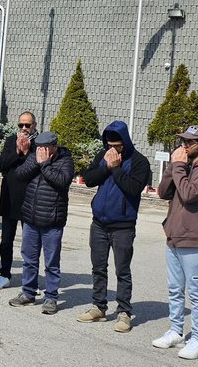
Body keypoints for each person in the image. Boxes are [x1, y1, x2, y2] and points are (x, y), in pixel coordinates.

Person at [151, 125, 198, 361]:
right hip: (174, 233)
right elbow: (163, 192)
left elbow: (190, 193)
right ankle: (175, 331)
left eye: (189, 143)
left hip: (194, 236)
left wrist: (179, 167)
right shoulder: (185, 166)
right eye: (183, 141)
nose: (184, 146)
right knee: (174, 289)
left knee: (195, 292)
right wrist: (173, 167)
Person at [77, 120, 152, 333]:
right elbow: (89, 179)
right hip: (99, 223)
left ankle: (124, 312)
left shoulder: (139, 162)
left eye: (117, 146)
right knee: (98, 267)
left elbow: (133, 188)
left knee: (123, 270)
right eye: (109, 145)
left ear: (125, 143)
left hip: (123, 226)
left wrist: (117, 168)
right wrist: (107, 167)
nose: (112, 150)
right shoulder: (103, 156)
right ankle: (98, 306)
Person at [7, 131, 74, 314]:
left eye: (45, 148)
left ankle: (51, 297)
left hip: (52, 220)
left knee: (51, 262)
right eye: (39, 148)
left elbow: (62, 181)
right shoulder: (34, 156)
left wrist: (44, 165)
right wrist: (36, 162)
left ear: (54, 147)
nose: (41, 151)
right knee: (29, 259)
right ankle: (28, 293)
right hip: (30, 217)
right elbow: (19, 174)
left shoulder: (65, 160)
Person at [0, 111, 36, 290]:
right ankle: (4, 273)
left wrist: (26, 151)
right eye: (21, 125)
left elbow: (37, 165)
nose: (24, 129)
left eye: (28, 125)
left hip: (30, 198)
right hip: (10, 197)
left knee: (30, 242)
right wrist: (17, 150)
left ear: (34, 125)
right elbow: (2, 164)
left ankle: (30, 277)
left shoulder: (39, 143)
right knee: (6, 240)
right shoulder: (11, 140)